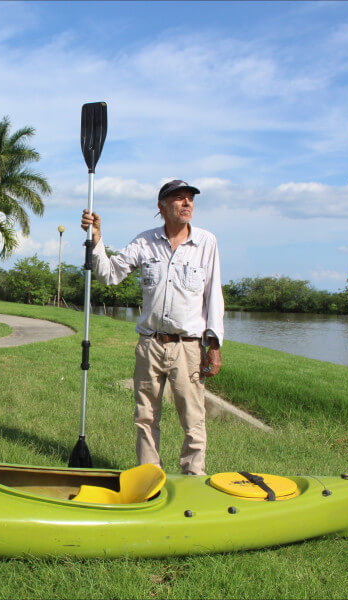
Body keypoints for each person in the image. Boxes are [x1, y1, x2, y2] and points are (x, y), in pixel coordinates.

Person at [81, 179, 225, 476]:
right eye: (179, 199)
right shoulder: (144, 242)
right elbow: (109, 275)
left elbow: (214, 296)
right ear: (161, 207)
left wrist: (214, 346)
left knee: (193, 417)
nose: (187, 204)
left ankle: (193, 477)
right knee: (145, 416)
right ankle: (149, 476)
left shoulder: (206, 242)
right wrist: (96, 238)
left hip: (188, 346)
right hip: (150, 344)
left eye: (190, 199)